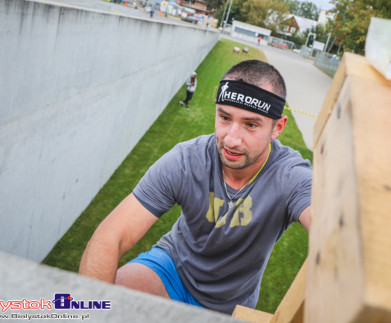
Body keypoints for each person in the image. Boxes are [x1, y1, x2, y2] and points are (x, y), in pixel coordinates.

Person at [79, 60, 312, 315]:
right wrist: (92, 312)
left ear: (277, 128)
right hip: (171, 269)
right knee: (114, 303)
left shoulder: (291, 176)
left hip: (230, 306)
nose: (231, 139)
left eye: (251, 124)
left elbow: (332, 231)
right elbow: (109, 236)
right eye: (224, 117)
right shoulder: (185, 160)